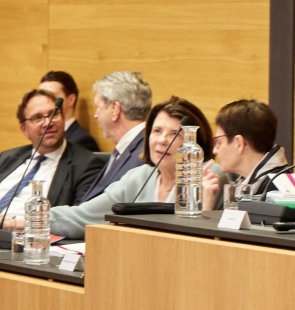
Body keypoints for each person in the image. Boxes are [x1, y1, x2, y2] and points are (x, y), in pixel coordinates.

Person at [43, 96, 227, 239]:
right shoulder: (139, 177)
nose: (162, 140)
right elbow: (82, 216)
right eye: (157, 131)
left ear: (194, 140)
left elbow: (200, 238)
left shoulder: (209, 175)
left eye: (174, 134)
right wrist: (31, 217)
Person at [0, 89, 104, 224]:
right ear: (24, 130)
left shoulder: (86, 165)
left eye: (53, 114)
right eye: (38, 117)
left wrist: (11, 225)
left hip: (26, 233)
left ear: (64, 119)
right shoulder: (7, 157)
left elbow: (80, 222)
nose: (48, 122)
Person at [80, 71, 152, 202]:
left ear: (115, 109)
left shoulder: (144, 155)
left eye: (98, 107)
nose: (95, 115)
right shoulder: (126, 150)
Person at [202, 100, 288, 200]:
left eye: (219, 142)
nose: (215, 151)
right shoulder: (245, 184)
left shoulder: (277, 190)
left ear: (239, 143)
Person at [40, 70, 100, 151]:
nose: (44, 102)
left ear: (71, 100)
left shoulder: (82, 141)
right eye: (41, 96)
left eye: (52, 96)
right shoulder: (41, 136)